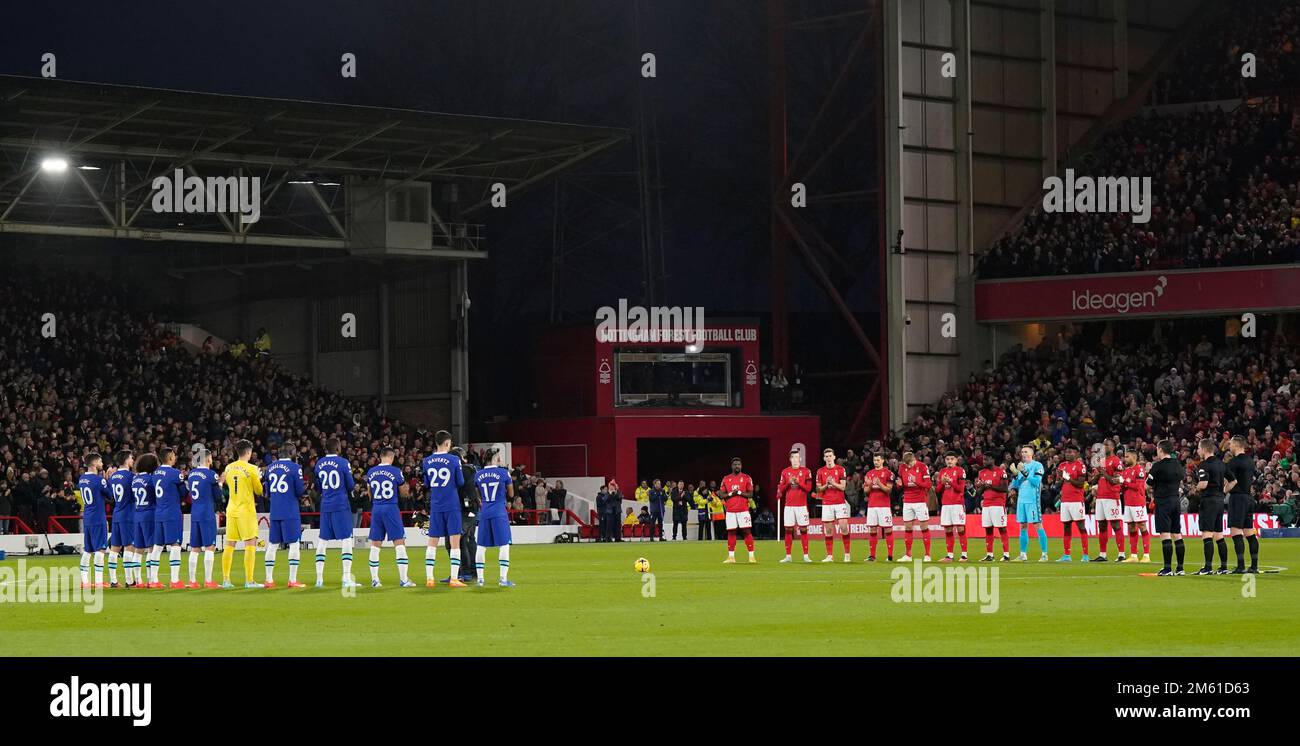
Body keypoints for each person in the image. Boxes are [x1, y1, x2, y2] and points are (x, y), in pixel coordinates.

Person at [421, 430, 467, 587]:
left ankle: (429, 578)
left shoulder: (426, 461)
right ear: (447, 443)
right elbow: (460, 482)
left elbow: (426, 484)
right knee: (455, 542)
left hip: (436, 505)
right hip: (452, 505)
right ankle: (454, 578)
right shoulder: (454, 459)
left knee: (432, 541)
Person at [365, 447, 415, 588]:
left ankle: (375, 580)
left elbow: (369, 492)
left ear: (380, 457)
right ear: (392, 457)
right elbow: (402, 491)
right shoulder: (395, 471)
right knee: (399, 544)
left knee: (375, 545)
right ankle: (404, 580)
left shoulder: (371, 472)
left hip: (376, 508)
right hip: (391, 508)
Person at [313, 437, 359, 588]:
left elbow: (318, 486)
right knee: (346, 539)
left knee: (322, 540)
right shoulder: (343, 462)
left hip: (326, 504)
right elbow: (350, 485)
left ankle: (319, 579)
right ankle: (346, 578)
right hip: (340, 505)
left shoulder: (319, 463)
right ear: (338, 448)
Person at [221, 440, 264, 589]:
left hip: (231, 509)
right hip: (246, 511)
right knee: (250, 544)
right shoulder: (252, 469)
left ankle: (226, 580)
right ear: (249, 452)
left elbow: (228, 484)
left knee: (229, 545)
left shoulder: (228, 467)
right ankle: (249, 580)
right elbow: (259, 491)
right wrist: (258, 478)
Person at [264, 443, 307, 587]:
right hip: (290, 510)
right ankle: (292, 580)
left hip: (275, 510)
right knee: (294, 543)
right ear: (292, 452)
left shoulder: (270, 468)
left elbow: (268, 492)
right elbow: (300, 491)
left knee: (273, 544)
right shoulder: (295, 468)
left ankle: (269, 580)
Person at [472, 446, 516, 587]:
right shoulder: (503, 473)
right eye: (499, 457)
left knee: (481, 546)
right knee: (504, 545)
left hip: (484, 512)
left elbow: (476, 494)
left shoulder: (478, 475)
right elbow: (511, 494)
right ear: (495, 458)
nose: (501, 460)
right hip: (499, 512)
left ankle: (480, 579)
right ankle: (503, 579)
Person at [1148, 439, 1186, 576]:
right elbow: (1181, 478)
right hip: (1175, 500)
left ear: (1161, 450)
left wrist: (1149, 472)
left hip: (1163, 501)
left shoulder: (1157, 466)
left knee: (1165, 533)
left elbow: (1148, 484)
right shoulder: (1177, 464)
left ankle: (1167, 568)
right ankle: (1180, 568)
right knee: (1177, 533)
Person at [185, 445, 221, 588]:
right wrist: (221, 484)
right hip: (207, 513)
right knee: (209, 546)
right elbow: (218, 497)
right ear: (208, 459)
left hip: (195, 513)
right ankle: (208, 580)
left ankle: (192, 581)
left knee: (195, 548)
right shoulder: (212, 475)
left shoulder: (192, 474)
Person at [1191, 438, 1228, 575]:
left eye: (1199, 449)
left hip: (1209, 501)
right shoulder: (1221, 464)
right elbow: (1233, 480)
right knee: (1219, 535)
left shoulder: (1204, 465)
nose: (1198, 451)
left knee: (1207, 534)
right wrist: (1222, 492)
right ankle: (1223, 567)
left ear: (1205, 449)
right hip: (1219, 501)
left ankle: (1207, 567)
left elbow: (1204, 483)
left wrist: (1196, 488)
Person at [1224, 435, 1259, 573]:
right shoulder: (1250, 461)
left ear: (1237, 445)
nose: (1229, 445)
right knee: (1249, 533)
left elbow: (1230, 482)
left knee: (1236, 532)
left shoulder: (1233, 463)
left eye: (1231, 443)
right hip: (1248, 498)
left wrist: (1223, 491)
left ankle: (1240, 566)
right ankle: (1254, 566)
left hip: (1237, 498)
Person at [1009, 445, 1049, 561]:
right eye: (1022, 452)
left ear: (1031, 454)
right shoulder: (1021, 466)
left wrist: (1024, 472)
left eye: (1025, 451)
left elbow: (1036, 482)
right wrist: (1016, 474)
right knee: (1023, 526)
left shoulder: (1037, 465)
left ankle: (1044, 554)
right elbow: (1016, 485)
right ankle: (1023, 554)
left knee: (1037, 524)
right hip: (1022, 500)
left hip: (1032, 500)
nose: (1023, 453)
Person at [76, 453, 110, 589]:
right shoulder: (98, 480)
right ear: (95, 463)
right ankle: (99, 581)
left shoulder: (82, 479)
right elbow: (110, 495)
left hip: (88, 517)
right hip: (98, 517)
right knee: (100, 549)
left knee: (88, 549)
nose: (102, 463)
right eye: (100, 461)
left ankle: (84, 582)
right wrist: (107, 479)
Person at [1091, 438, 1125, 561]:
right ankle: (1102, 555)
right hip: (1100, 497)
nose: (1104, 447)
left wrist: (1102, 472)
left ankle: (1121, 554)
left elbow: (1115, 480)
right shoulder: (1101, 461)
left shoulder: (1117, 461)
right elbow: (1094, 481)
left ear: (1112, 447)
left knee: (1115, 525)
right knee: (1102, 525)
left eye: (1107, 445)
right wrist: (1096, 475)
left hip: (1112, 496)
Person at [129, 453, 160, 588]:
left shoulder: (135, 479)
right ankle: (152, 579)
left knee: (138, 549)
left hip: (137, 514)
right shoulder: (151, 479)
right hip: (149, 514)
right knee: (152, 548)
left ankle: (139, 580)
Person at [776, 449, 813, 563]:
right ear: (790, 459)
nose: (796, 459)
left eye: (797, 457)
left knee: (803, 530)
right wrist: (788, 482)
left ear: (800, 459)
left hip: (801, 506)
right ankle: (788, 556)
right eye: (793, 457)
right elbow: (781, 489)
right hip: (789, 506)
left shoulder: (806, 471)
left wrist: (798, 482)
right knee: (788, 530)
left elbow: (808, 488)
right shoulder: (785, 472)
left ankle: (806, 556)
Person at [106, 450, 136, 588]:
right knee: (129, 547)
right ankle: (130, 581)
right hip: (128, 514)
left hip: (116, 513)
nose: (133, 460)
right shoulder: (131, 476)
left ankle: (113, 580)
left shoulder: (113, 477)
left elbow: (110, 496)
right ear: (126, 460)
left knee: (114, 548)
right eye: (131, 458)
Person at [1056, 444, 1090, 562]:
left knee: (1081, 526)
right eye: (1066, 452)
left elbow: (1081, 484)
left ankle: (1085, 555)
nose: (1067, 454)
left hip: (1076, 500)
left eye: (1070, 452)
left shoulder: (1081, 466)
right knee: (1066, 527)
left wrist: (1068, 478)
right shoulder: (1062, 465)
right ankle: (1067, 555)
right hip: (1065, 500)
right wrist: (1060, 479)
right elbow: (1058, 484)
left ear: (1076, 454)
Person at [897, 450, 932, 562]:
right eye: (906, 464)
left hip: (920, 501)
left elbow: (928, 485)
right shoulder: (902, 467)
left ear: (914, 459)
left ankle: (927, 555)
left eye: (910, 463)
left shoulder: (922, 467)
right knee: (908, 528)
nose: (908, 466)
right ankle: (908, 555)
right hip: (907, 501)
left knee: (924, 527)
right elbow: (900, 485)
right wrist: (899, 485)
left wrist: (917, 481)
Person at [816, 448, 851, 562]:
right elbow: (818, 489)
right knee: (828, 531)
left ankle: (847, 554)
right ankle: (829, 556)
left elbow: (843, 487)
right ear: (824, 458)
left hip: (840, 503)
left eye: (830, 456)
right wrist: (826, 484)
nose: (828, 458)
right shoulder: (820, 471)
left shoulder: (841, 469)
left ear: (834, 457)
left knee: (844, 527)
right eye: (826, 456)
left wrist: (833, 483)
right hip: (827, 503)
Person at [976, 452, 1011, 561]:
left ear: (992, 459)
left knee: (1002, 528)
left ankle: (1006, 555)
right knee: (988, 529)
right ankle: (990, 555)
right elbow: (978, 492)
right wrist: (982, 486)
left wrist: (990, 486)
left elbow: (1005, 489)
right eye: (983, 459)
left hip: (998, 504)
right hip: (986, 504)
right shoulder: (981, 473)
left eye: (986, 459)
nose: (984, 461)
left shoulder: (1001, 471)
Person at [721, 457, 756, 563]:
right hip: (731, 511)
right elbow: (722, 494)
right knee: (731, 532)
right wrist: (732, 493)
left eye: (738, 464)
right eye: (735, 464)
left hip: (743, 510)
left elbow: (750, 494)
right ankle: (731, 557)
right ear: (732, 466)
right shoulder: (726, 478)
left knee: (746, 532)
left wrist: (740, 492)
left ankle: (751, 556)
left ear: (741, 466)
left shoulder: (746, 478)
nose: (737, 466)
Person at [1118, 449, 1151, 563]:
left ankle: (1146, 555)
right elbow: (1123, 487)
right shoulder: (1126, 471)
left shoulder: (1139, 469)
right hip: (1128, 504)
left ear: (1134, 458)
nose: (1125, 459)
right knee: (1131, 528)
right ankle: (1133, 555)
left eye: (1127, 457)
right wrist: (1119, 484)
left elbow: (1138, 486)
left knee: (1142, 526)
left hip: (1138, 503)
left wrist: (1124, 482)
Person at [936, 451, 968, 562]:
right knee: (948, 529)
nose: (949, 461)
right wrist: (942, 482)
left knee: (960, 528)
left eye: (952, 459)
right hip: (946, 504)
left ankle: (964, 555)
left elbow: (961, 489)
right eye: (947, 459)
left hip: (957, 504)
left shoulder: (960, 471)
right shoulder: (942, 471)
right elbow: (937, 490)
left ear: (956, 460)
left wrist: (951, 481)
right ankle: (949, 555)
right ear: (945, 460)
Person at [864, 453, 895, 561]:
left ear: (882, 461)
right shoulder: (869, 473)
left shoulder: (888, 473)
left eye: (878, 460)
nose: (876, 462)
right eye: (874, 460)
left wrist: (879, 483)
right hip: (872, 505)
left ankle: (890, 556)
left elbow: (888, 490)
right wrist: (871, 484)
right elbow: (866, 492)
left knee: (888, 530)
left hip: (884, 506)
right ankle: (872, 556)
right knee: (872, 530)